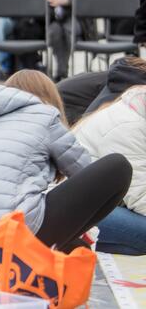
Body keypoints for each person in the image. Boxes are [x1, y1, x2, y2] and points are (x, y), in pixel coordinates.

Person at [0, 70, 131, 277]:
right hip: (15, 235)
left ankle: (57, 246)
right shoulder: (43, 115)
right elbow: (84, 171)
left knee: (75, 246)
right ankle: (42, 252)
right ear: (48, 95)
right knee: (118, 166)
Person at [73, 86, 146, 255]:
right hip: (78, 207)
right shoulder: (128, 127)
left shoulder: (135, 111)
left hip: (97, 200)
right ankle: (74, 242)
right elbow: (141, 198)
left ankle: (79, 244)